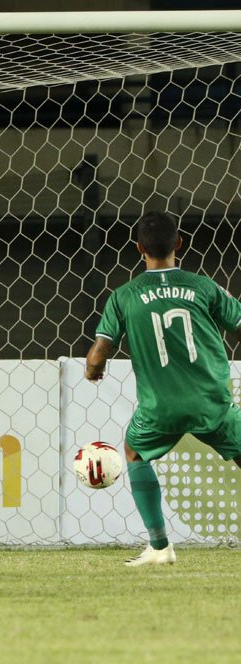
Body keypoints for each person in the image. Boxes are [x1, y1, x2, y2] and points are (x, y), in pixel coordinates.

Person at [85, 211, 241, 566]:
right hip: (212, 404)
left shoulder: (124, 296)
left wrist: (94, 370)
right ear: (179, 244)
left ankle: (159, 547)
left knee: (134, 452)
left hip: (160, 410)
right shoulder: (204, 287)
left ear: (139, 247)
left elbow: (97, 357)